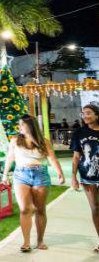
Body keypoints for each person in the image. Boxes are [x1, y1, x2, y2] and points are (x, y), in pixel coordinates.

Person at [2, 114, 65, 252]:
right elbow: (10, 158)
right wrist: (4, 174)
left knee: (40, 209)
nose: (20, 127)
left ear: (30, 126)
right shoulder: (15, 140)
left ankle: (40, 240)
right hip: (21, 175)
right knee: (25, 209)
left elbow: (52, 159)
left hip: (40, 175)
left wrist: (60, 173)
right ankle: (26, 242)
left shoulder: (44, 141)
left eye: (22, 124)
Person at [71, 104, 99, 253]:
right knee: (95, 209)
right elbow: (76, 156)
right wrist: (73, 177)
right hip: (88, 177)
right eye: (83, 113)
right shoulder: (79, 133)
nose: (85, 116)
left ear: (97, 115)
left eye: (89, 113)